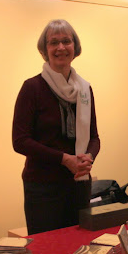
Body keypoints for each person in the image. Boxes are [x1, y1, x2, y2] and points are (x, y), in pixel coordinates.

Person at [12, 19, 100, 236]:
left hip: (78, 185)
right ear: (45, 50)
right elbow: (20, 140)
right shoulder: (32, 88)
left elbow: (94, 137)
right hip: (43, 188)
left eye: (66, 41)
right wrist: (64, 159)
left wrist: (88, 157)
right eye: (54, 43)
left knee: (79, 247)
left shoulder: (85, 89)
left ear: (75, 47)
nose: (61, 47)